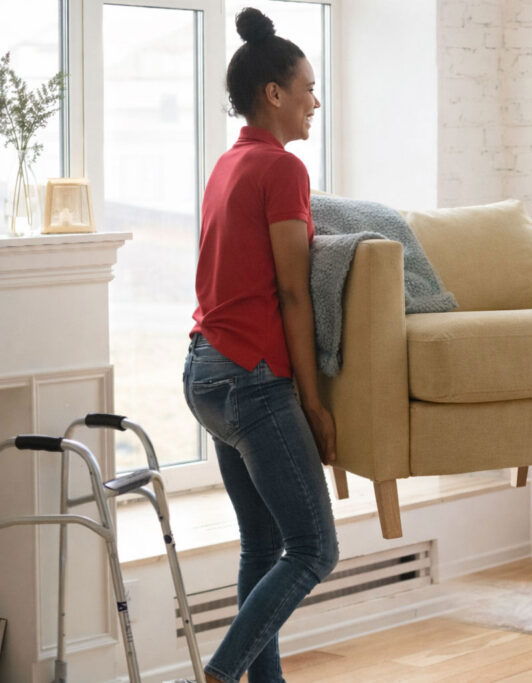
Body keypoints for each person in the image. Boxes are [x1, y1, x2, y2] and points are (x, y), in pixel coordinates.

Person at [181, 8, 338, 682]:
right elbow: (295, 292)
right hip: (253, 377)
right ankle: (220, 672)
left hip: (204, 371)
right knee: (313, 550)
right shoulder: (281, 170)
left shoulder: (229, 163)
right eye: (307, 87)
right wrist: (313, 400)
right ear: (274, 93)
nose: (314, 100)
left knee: (264, 542)